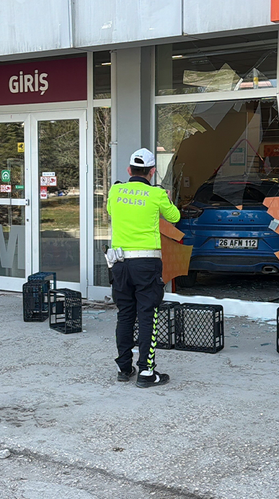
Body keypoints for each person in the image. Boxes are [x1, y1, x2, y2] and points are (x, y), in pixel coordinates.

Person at [107, 148, 180, 388]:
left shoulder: (115, 191)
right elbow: (175, 217)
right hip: (146, 264)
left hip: (119, 264)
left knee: (125, 313)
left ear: (129, 170)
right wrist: (166, 197)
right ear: (152, 171)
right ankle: (147, 372)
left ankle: (123, 367)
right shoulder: (156, 194)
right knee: (147, 314)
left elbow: (110, 212)